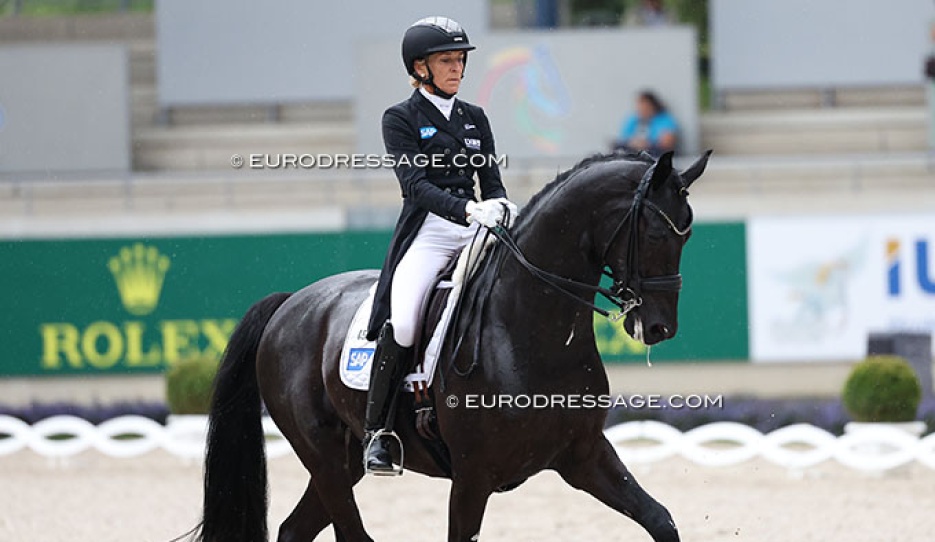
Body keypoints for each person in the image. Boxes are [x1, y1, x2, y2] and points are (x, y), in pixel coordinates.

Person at [362, 16, 519, 474]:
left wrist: (500, 206)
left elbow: (491, 182)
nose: (457, 68)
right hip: (430, 231)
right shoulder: (400, 118)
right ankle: (379, 433)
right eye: (446, 60)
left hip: (477, 228)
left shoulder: (476, 118)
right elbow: (414, 186)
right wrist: (468, 210)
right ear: (420, 67)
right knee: (406, 322)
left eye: (460, 60)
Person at [614, 90, 679, 157]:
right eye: (640, 106)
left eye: (645, 106)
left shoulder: (665, 120)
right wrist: (635, 143)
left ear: (653, 106)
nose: (642, 109)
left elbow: (667, 143)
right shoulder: (632, 119)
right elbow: (623, 138)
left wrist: (647, 144)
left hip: (654, 151)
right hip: (633, 150)